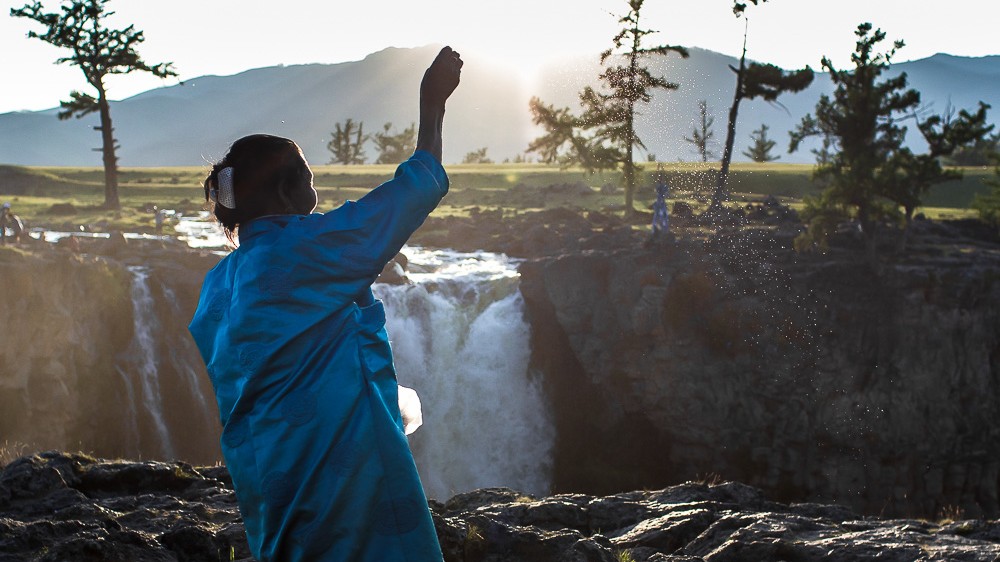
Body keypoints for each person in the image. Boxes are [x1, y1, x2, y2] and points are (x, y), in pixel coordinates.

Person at [188, 47, 462, 562]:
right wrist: (433, 103)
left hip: (269, 472)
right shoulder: (308, 249)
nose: (316, 187)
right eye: (308, 177)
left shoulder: (217, 286)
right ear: (288, 190)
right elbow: (414, 188)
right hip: (342, 463)